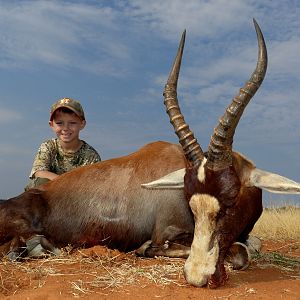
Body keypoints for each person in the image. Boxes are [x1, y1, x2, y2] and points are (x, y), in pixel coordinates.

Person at [25, 97, 101, 190]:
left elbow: (92, 185)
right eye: (60, 123)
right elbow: (39, 172)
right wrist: (66, 184)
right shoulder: (48, 146)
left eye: (72, 123)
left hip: (75, 198)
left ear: (82, 124)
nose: (65, 128)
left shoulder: (91, 156)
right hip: (48, 197)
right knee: (40, 182)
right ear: (51, 125)